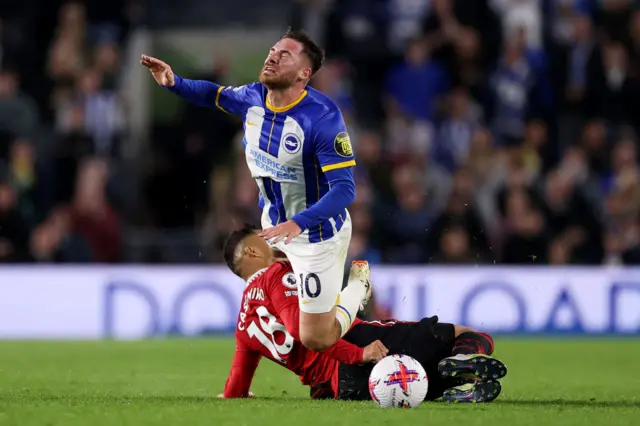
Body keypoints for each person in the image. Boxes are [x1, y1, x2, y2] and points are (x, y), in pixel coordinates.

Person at [140, 29, 369, 353]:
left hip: (316, 235)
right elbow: (214, 95)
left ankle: (358, 286)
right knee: (257, 284)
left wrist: (298, 223)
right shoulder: (253, 97)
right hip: (273, 227)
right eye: (273, 50)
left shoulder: (323, 118)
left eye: (285, 54)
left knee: (316, 338)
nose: (273, 55)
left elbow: (345, 191)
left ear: (305, 73)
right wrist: (174, 82)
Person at [219, 225, 508, 403]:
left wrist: (236, 395)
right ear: (253, 253)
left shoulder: (244, 323)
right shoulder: (277, 274)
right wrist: (358, 354)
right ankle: (460, 360)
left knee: (417, 380)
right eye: (263, 236)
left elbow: (235, 387)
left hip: (338, 388)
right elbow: (301, 331)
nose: (271, 237)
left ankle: (455, 387)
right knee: (470, 334)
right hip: (357, 345)